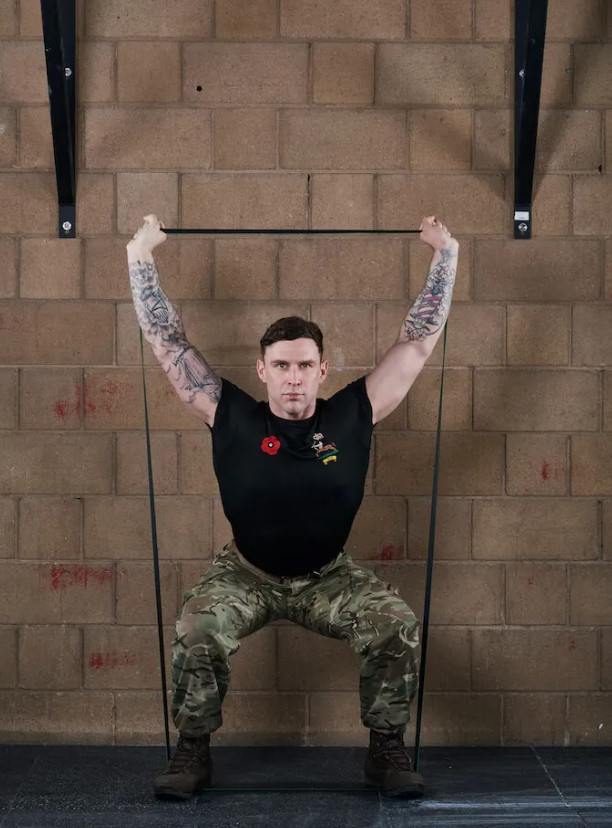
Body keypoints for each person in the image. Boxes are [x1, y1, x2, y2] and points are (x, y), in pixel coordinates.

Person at [126, 214, 458, 801]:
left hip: (328, 576)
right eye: (281, 366)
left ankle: (385, 752)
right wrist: (140, 257)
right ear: (262, 371)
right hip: (245, 574)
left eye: (306, 366)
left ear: (323, 370)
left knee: (395, 624)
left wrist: (445, 255)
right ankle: (192, 754)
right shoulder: (230, 414)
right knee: (197, 627)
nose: (294, 379)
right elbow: (168, 343)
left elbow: (418, 342)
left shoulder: (353, 414)